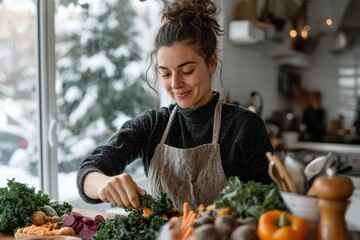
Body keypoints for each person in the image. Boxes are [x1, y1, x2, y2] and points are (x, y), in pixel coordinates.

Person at [76, 0, 273, 210]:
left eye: (186, 71)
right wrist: (103, 184)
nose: (175, 83)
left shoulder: (244, 126)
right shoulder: (152, 125)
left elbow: (268, 208)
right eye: (166, 73)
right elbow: (89, 170)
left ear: (212, 63)